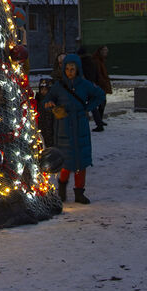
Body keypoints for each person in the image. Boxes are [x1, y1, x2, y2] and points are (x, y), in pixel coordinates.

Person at [43, 53, 103, 204]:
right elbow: (47, 99)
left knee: (80, 163)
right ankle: (62, 191)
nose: (70, 71)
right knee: (64, 162)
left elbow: (100, 95)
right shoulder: (59, 86)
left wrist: (87, 108)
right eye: (67, 68)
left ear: (78, 69)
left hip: (80, 126)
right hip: (63, 127)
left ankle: (79, 192)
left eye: (73, 69)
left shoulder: (84, 84)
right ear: (63, 69)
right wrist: (50, 104)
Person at [91, 45, 113, 131]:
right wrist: (103, 83)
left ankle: (100, 120)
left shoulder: (101, 60)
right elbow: (99, 74)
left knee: (102, 103)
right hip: (100, 85)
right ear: (100, 51)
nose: (106, 52)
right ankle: (99, 121)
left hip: (101, 84)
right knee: (100, 103)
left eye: (107, 50)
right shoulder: (97, 61)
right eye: (104, 50)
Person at [34, 77, 55, 149]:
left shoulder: (52, 103)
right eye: (41, 89)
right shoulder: (37, 102)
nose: (43, 92)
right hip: (41, 130)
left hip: (51, 131)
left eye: (45, 90)